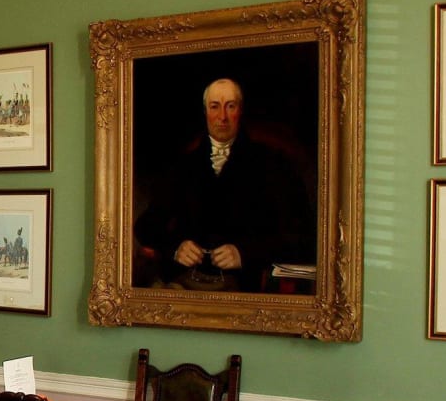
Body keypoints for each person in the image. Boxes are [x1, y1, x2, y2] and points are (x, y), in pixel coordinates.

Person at [134, 77, 314, 291]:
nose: (222, 117)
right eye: (214, 107)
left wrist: (244, 253)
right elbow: (146, 226)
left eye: (230, 106)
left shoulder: (272, 165)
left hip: (247, 287)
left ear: (240, 111)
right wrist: (176, 248)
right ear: (205, 112)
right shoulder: (184, 167)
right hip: (186, 283)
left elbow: (300, 237)